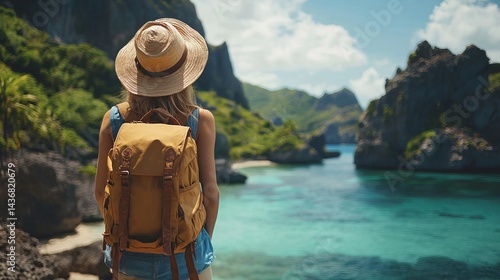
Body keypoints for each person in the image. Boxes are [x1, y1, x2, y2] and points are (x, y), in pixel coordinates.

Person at [94, 18, 219, 280]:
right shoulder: (200, 120)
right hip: (187, 258)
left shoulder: (114, 119)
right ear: (185, 73)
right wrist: (196, 240)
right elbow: (210, 193)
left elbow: (100, 192)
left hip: (127, 257)